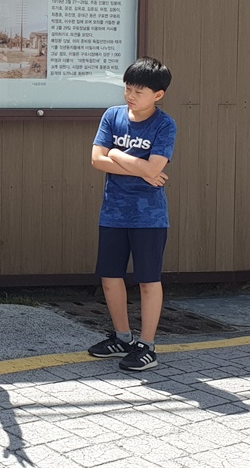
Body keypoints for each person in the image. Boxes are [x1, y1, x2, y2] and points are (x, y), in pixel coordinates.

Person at [85, 56, 176, 372]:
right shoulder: (112, 117)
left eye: (139, 90)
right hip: (113, 212)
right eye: (128, 88)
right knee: (110, 278)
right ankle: (122, 337)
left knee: (148, 280)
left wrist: (116, 153)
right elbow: (96, 160)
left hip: (149, 217)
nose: (130, 95)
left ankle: (147, 345)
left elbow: (155, 168)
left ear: (158, 95)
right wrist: (139, 167)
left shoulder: (164, 125)